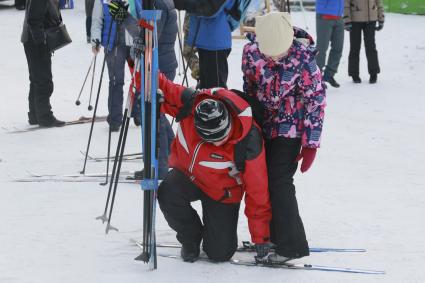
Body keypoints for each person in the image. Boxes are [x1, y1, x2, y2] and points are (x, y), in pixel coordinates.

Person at [156, 73, 272, 263]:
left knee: (219, 254)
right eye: (212, 139)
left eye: (222, 137)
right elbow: (159, 83)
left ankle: (215, 237)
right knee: (167, 193)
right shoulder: (190, 103)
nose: (218, 143)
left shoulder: (249, 139)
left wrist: (261, 237)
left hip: (222, 192)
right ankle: (190, 238)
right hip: (188, 176)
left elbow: (257, 191)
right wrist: (138, 61)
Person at [242, 12, 326, 263]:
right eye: (271, 53)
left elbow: (316, 102)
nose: (275, 57)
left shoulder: (304, 59)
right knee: (262, 181)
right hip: (264, 125)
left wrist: (310, 144)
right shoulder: (251, 53)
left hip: (291, 128)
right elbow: (249, 87)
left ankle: (292, 246)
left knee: (279, 181)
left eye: (279, 53)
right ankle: (270, 236)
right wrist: (250, 122)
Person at [107, 0, 178, 179]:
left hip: (159, 66)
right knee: (157, 113)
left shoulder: (159, 4)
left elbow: (149, 39)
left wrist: (125, 18)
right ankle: (171, 155)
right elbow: (146, 33)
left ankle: (159, 166)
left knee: (153, 116)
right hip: (157, 64)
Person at [21, 0, 65, 127]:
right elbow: (33, 20)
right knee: (44, 81)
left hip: (32, 40)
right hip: (35, 42)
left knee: (36, 79)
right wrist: (41, 42)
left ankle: (35, 114)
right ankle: (45, 116)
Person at [186, 0, 235, 88]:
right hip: (204, 39)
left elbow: (212, 9)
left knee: (216, 91)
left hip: (214, 43)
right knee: (205, 90)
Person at [344, 0, 385, 84]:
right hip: (355, 20)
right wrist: (347, 19)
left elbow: (379, 2)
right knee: (354, 47)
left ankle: (374, 73)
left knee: (371, 47)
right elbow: (346, 3)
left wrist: (381, 18)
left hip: (371, 20)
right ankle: (354, 73)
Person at [315, 0, 345, 88]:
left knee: (338, 47)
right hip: (324, 16)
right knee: (322, 48)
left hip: (339, 17)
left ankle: (329, 74)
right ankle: (317, 77)